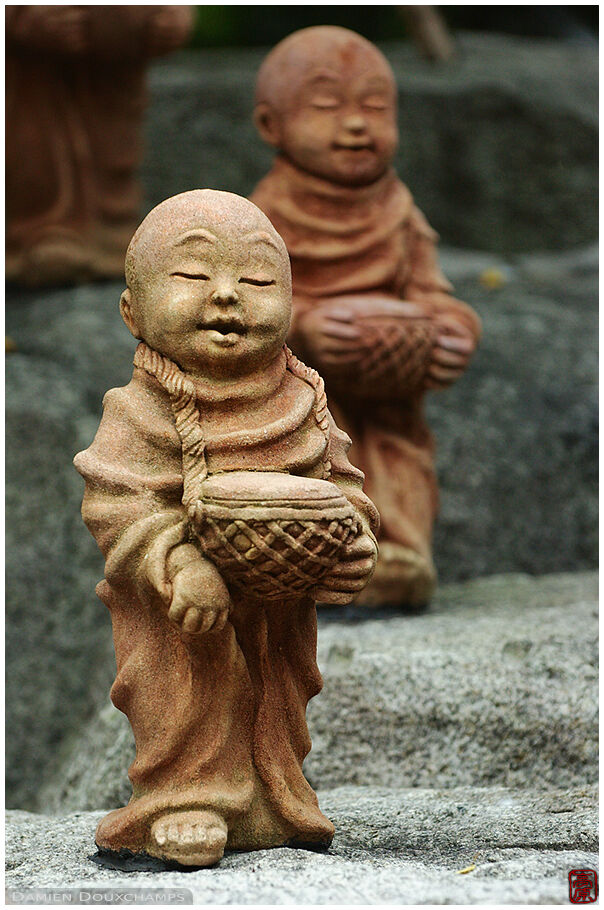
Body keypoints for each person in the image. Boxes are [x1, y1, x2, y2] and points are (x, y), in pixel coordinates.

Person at [74, 190, 378, 867]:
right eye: (192, 276)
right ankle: (185, 796)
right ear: (132, 311)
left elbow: (342, 486)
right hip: (179, 609)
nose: (227, 296)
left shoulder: (303, 400)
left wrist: (351, 542)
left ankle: (273, 798)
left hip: (277, 606)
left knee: (276, 688)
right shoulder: (135, 410)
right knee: (187, 681)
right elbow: (115, 503)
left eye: (258, 279)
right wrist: (178, 562)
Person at [251, 26, 481, 607]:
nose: (357, 124)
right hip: (303, 386)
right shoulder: (264, 215)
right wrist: (302, 325)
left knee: (399, 454)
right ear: (270, 127)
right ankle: (329, 557)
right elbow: (248, 301)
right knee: (314, 453)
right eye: (327, 107)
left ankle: (399, 551)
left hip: (390, 387)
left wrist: (452, 328)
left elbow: (431, 290)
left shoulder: (399, 212)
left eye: (375, 108)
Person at [6, 6, 192, 286]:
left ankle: (111, 227)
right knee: (38, 141)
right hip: (34, 76)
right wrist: (22, 16)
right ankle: (40, 228)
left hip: (113, 69)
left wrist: (172, 15)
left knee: (111, 142)